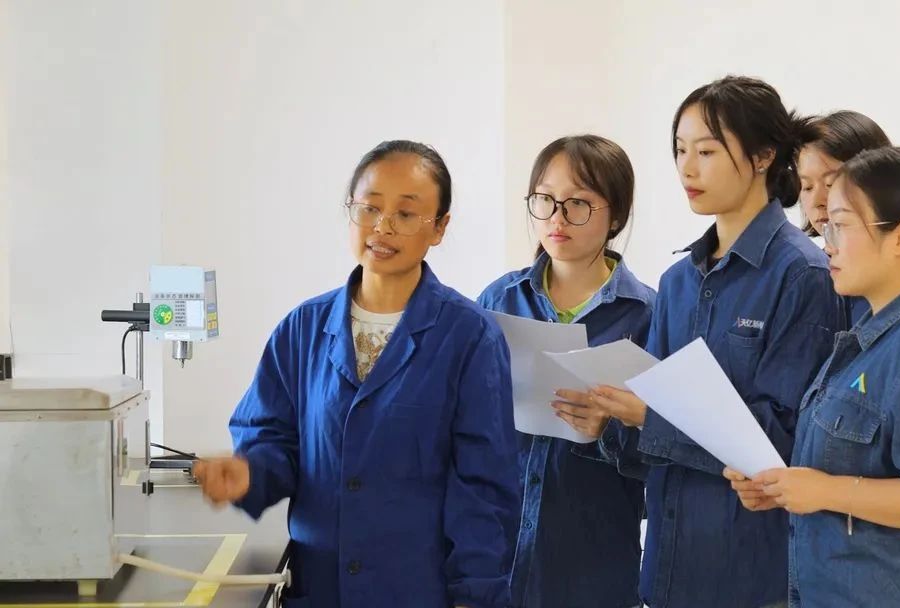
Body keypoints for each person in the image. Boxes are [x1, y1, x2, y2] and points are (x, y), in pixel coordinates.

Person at [193, 140, 521, 608]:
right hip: (321, 586)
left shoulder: (470, 337)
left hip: (418, 591)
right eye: (370, 208)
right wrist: (248, 473)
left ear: (439, 227)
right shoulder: (302, 328)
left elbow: (484, 489)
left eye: (406, 214)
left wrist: (476, 595)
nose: (382, 227)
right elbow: (273, 439)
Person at [587, 76, 845, 608]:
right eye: (680, 150)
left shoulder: (804, 275)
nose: (687, 169)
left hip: (754, 578)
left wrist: (650, 418)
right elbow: (652, 443)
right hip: (667, 572)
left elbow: (784, 439)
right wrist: (608, 421)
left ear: (763, 156)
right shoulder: (677, 282)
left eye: (706, 151)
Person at [728, 146, 900, 607]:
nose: (827, 243)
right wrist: (785, 486)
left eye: (841, 225)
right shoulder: (875, 335)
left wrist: (823, 491)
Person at [478, 134, 654, 608]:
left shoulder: (648, 316)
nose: (556, 218)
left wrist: (610, 428)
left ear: (615, 215)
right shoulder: (498, 301)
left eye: (578, 203)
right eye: (544, 200)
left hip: (592, 565)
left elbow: (667, 453)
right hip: (496, 555)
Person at [796, 111, 891, 325]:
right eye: (806, 187)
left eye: (831, 184)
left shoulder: (897, 280)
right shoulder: (808, 273)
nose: (817, 201)